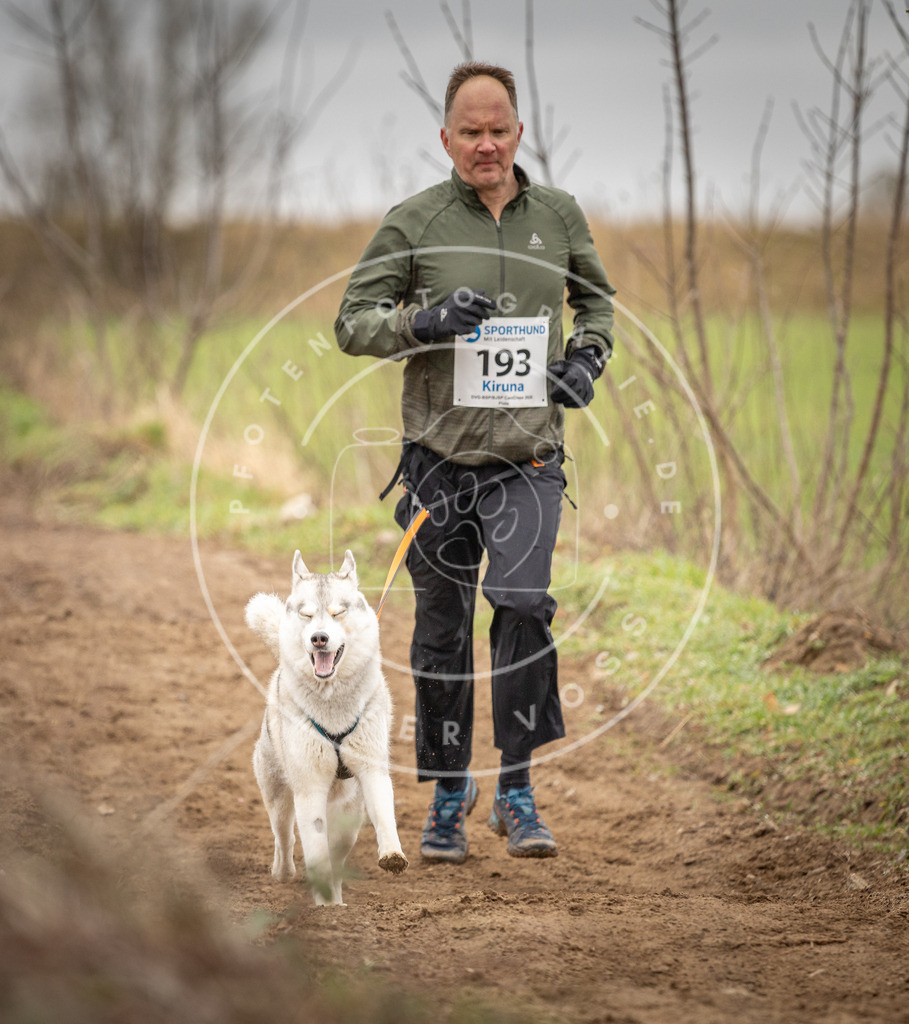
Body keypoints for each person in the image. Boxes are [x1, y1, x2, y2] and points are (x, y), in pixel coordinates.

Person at [334, 61, 615, 864]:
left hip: (526, 459)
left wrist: (587, 360)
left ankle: (518, 790)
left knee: (523, 607)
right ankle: (450, 793)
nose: (485, 145)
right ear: (447, 138)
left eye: (498, 130)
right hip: (437, 465)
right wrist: (424, 321)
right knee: (441, 632)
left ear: (518, 133)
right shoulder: (414, 220)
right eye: (470, 132)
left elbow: (594, 300)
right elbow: (352, 322)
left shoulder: (557, 217)